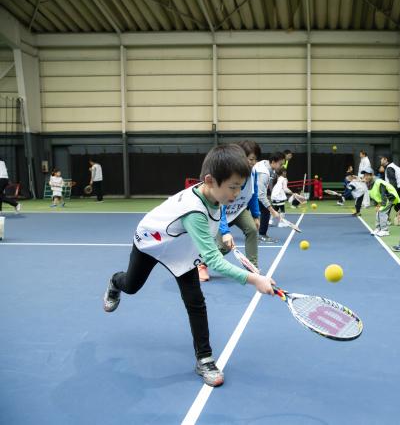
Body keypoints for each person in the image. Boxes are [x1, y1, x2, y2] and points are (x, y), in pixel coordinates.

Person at [102, 144, 275, 388]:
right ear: (210, 180)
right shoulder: (193, 211)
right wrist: (254, 279)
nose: (237, 194)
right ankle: (114, 281)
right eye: (233, 187)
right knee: (131, 286)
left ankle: (204, 359)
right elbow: (213, 260)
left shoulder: (216, 193)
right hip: (152, 242)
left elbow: (217, 213)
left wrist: (224, 232)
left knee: (195, 301)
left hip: (180, 248)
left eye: (240, 187)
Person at [198, 140, 261, 282]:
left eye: (255, 159)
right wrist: (225, 232)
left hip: (238, 211)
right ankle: (201, 264)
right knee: (225, 247)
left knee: (252, 229)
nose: (253, 163)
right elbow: (220, 206)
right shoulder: (229, 175)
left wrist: (256, 215)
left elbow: (253, 193)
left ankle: (252, 267)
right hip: (221, 213)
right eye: (250, 159)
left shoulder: (253, 174)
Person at [255, 151, 285, 243]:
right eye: (280, 164)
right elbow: (260, 195)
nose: (281, 167)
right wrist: (273, 211)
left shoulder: (265, 163)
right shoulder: (264, 173)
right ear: (273, 162)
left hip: (251, 192)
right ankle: (262, 235)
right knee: (265, 210)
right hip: (248, 193)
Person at [362, 168, 400, 237]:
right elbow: (375, 195)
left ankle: (385, 230)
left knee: (382, 211)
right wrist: (377, 205)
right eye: (364, 175)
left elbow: (384, 194)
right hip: (383, 199)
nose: (365, 177)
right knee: (378, 212)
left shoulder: (378, 182)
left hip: (389, 197)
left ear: (372, 175)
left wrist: (381, 205)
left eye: (367, 175)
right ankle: (378, 229)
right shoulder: (369, 184)